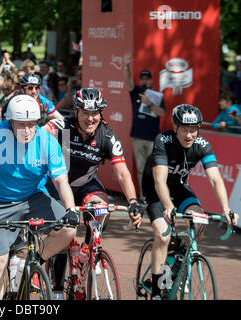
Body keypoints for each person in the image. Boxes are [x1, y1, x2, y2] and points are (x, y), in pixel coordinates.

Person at [0, 94, 80, 300]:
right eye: (22, 124)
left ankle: (35, 260)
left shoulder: (47, 141)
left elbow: (61, 180)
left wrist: (71, 209)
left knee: (69, 230)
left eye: (32, 124)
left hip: (33, 198)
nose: (27, 130)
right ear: (10, 121)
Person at [42, 88, 143, 298]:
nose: (90, 118)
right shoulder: (63, 126)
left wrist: (133, 201)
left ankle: (89, 251)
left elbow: (122, 172)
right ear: (76, 112)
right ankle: (58, 287)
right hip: (59, 184)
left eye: (95, 113)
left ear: (101, 113)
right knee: (64, 228)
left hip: (87, 185)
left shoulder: (106, 134)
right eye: (86, 113)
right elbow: (37, 136)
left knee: (102, 210)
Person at [141, 104, 239, 300]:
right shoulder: (163, 140)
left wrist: (227, 209)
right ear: (175, 126)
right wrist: (168, 207)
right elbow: (160, 180)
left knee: (199, 219)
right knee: (162, 234)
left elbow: (215, 178)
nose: (189, 135)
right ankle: (158, 291)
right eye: (184, 129)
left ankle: (181, 261)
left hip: (178, 187)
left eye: (193, 129)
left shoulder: (203, 145)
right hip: (155, 189)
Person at [122, 52, 166, 199]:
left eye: (147, 79)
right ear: (140, 80)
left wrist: (150, 104)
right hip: (138, 136)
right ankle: (144, 196)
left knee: (153, 169)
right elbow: (127, 80)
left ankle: (155, 195)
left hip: (153, 137)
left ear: (152, 80)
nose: (145, 81)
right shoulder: (135, 92)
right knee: (141, 169)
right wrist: (125, 65)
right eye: (143, 78)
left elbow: (163, 113)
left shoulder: (157, 96)